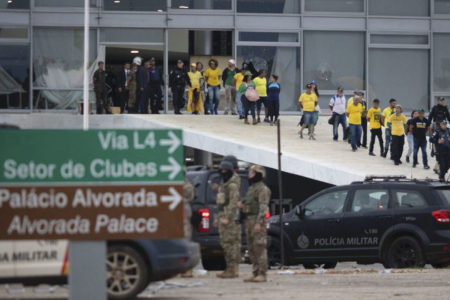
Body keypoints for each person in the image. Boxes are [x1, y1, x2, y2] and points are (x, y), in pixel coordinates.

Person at [240, 165, 271, 283]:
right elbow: (250, 206)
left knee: (259, 247)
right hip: (249, 220)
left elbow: (263, 207)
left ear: (258, 174)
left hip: (257, 221)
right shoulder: (251, 188)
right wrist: (242, 207)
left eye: (252, 172)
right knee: (251, 248)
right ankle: (255, 272)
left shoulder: (262, 189)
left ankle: (262, 273)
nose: (249, 174)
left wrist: (258, 223)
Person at [214, 160, 241, 279]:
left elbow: (233, 203)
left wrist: (227, 218)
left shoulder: (232, 185)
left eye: (225, 170)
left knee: (230, 244)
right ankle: (229, 268)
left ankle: (232, 269)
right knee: (225, 244)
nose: (223, 173)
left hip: (229, 219)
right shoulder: (224, 185)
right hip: (223, 217)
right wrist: (217, 218)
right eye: (222, 170)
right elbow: (220, 204)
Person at [181, 178, 195, 278]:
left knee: (186, 243)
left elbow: (190, 196)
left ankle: (188, 269)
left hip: (184, 216)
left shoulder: (186, 184)